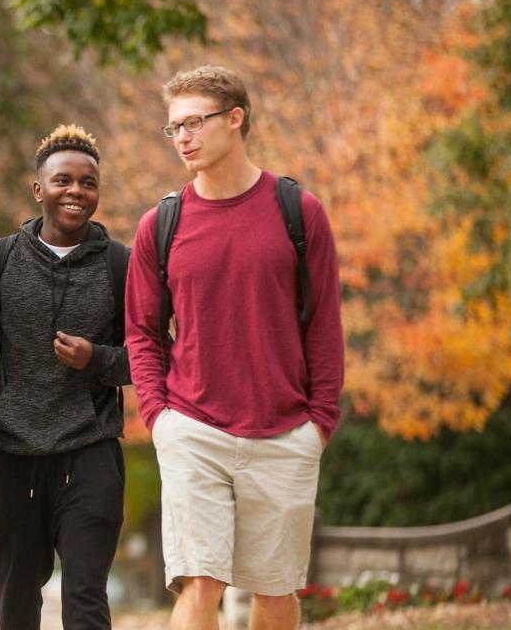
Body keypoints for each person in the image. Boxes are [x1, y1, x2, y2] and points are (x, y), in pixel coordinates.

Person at [125, 65, 344, 630]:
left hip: (284, 430)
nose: (183, 139)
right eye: (173, 129)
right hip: (192, 428)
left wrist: (318, 422)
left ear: (236, 119)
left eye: (194, 123)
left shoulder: (300, 213)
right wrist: (159, 417)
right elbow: (143, 332)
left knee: (273, 591)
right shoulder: (161, 225)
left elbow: (323, 325)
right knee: (201, 580)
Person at [0, 124, 130, 630]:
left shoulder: (122, 265)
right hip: (13, 454)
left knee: (85, 592)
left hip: (91, 446)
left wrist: (96, 359)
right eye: (63, 180)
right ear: (39, 189)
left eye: (88, 183)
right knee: (15, 593)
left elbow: (149, 358)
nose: (76, 191)